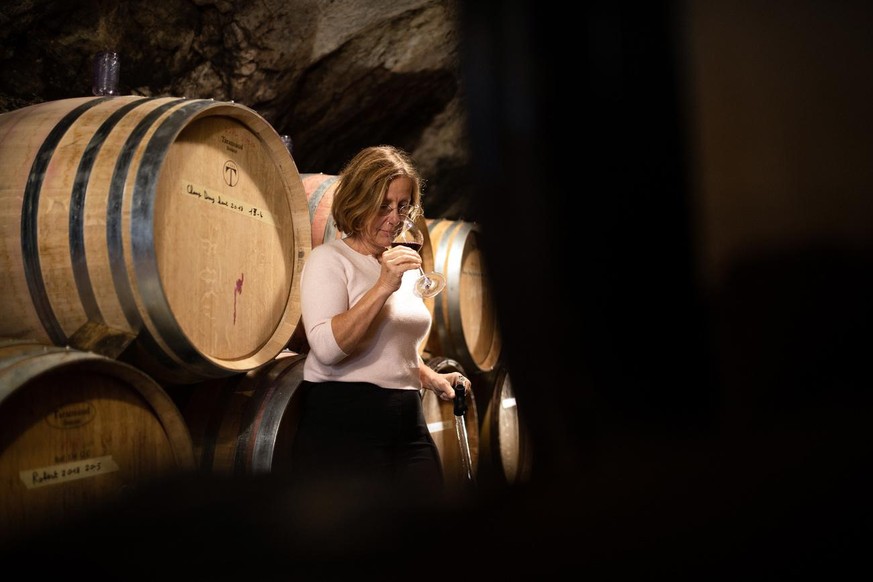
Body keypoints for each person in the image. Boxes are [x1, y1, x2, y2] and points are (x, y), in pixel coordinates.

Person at [290, 144, 470, 498]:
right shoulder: (330, 260)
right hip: (345, 422)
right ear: (358, 202)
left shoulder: (396, 263)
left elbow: (391, 342)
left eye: (403, 206)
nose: (395, 217)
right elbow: (327, 349)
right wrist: (384, 286)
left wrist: (429, 376)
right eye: (383, 205)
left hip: (407, 418)